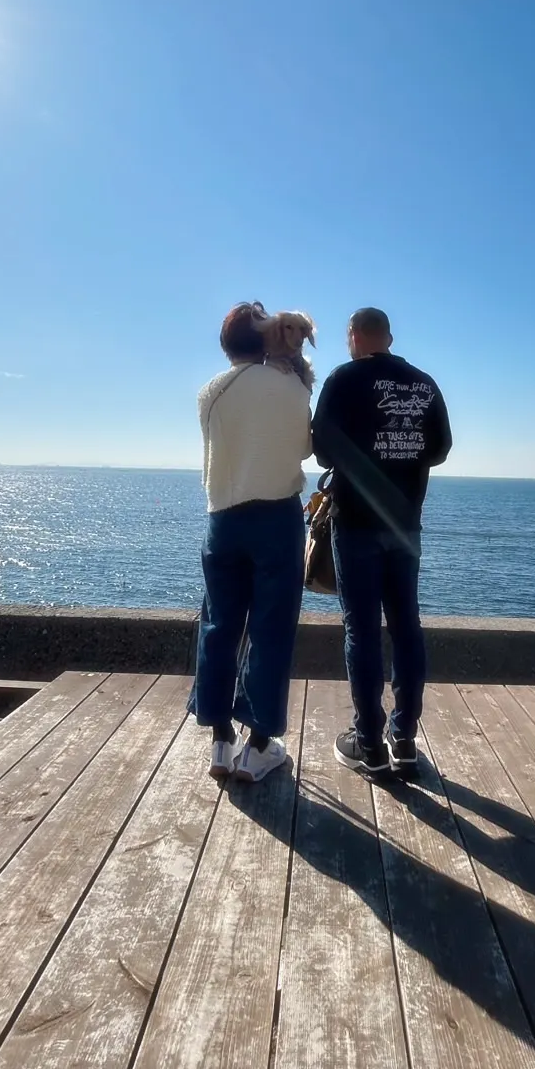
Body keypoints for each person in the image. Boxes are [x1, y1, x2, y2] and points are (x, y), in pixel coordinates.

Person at [312, 307, 452, 775]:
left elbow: (323, 450)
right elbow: (440, 448)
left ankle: (369, 744)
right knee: (407, 626)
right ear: (388, 338)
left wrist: (363, 457)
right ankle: (404, 739)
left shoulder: (344, 379)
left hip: (355, 524)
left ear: (353, 336)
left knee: (362, 630)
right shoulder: (423, 383)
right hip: (405, 524)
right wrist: (401, 456)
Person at [189, 301, 312, 782]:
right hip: (276, 517)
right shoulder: (291, 386)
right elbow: (304, 447)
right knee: (271, 629)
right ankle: (259, 745)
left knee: (219, 624)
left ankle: (221, 739)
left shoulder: (209, 391)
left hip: (222, 518)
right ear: (266, 338)